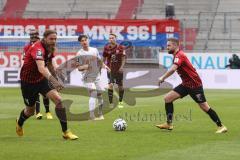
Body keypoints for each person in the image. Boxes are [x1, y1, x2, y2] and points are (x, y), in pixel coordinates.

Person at [156, 38, 227, 133]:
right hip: (186, 84)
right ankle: (169, 124)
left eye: (169, 45)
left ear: (175, 46)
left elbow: (173, 69)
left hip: (194, 85)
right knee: (167, 98)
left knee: (205, 107)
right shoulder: (177, 55)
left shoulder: (179, 55)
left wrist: (163, 78)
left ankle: (221, 126)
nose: (167, 47)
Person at [16, 29, 78, 140]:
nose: (53, 41)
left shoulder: (50, 48)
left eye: (55, 39)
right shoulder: (38, 48)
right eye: (51, 39)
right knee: (30, 111)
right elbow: (41, 68)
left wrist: (57, 78)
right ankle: (19, 122)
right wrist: (54, 81)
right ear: (44, 38)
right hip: (28, 82)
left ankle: (65, 132)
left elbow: (50, 65)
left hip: (41, 80)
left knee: (59, 100)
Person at [76, 35, 110, 120]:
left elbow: (99, 61)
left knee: (99, 95)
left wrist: (105, 66)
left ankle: (100, 114)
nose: (84, 42)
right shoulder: (79, 54)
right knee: (93, 93)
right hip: (87, 77)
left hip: (96, 76)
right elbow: (79, 68)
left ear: (88, 40)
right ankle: (91, 115)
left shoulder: (94, 50)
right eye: (82, 41)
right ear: (80, 43)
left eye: (85, 40)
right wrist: (87, 66)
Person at [22, 29, 53, 120]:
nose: (34, 36)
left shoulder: (43, 45)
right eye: (32, 35)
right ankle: (38, 112)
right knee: (35, 94)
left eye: (35, 34)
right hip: (33, 72)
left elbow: (49, 57)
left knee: (45, 94)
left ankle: (47, 111)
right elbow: (24, 58)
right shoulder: (27, 46)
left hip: (42, 70)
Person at [103, 33, 126, 108]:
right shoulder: (106, 47)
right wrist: (106, 67)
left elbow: (123, 58)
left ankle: (120, 101)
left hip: (118, 69)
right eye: (110, 38)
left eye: (112, 38)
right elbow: (104, 59)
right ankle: (111, 103)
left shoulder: (121, 47)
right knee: (110, 85)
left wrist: (122, 67)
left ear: (116, 38)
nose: (111, 39)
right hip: (110, 69)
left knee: (120, 86)